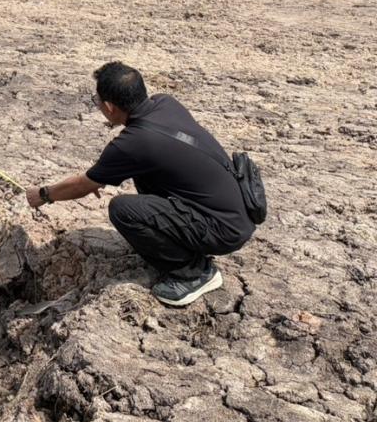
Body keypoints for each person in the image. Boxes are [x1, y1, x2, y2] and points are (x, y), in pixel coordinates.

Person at [25, 61, 255, 308]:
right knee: (146, 178)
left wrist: (43, 194)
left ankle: (194, 274)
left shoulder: (132, 143)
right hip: (239, 212)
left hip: (223, 230)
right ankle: (185, 245)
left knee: (123, 210)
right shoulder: (167, 103)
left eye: (97, 102)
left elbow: (82, 185)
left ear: (110, 107)